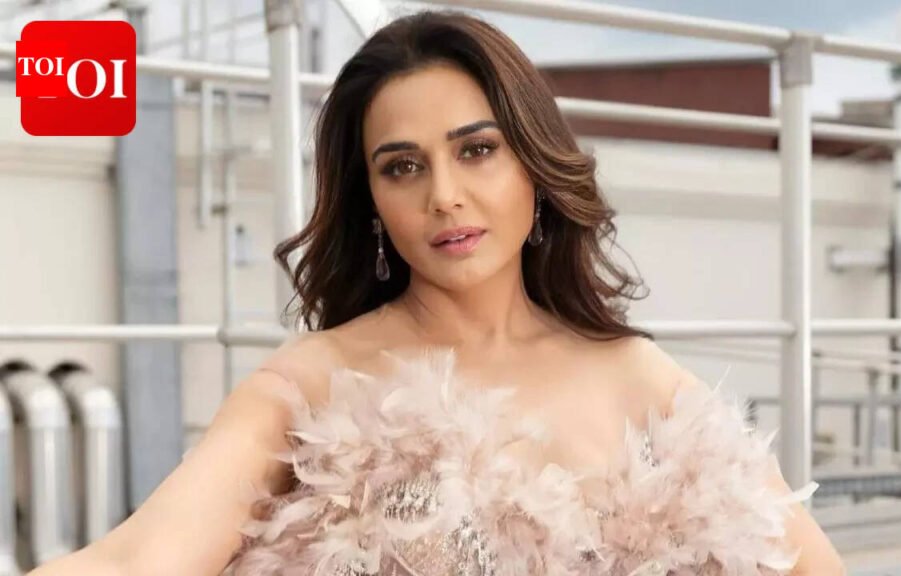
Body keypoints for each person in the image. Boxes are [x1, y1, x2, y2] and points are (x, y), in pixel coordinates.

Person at [30, 9, 845, 576]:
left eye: (477, 150)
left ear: (533, 163)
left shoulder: (641, 378)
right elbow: (138, 560)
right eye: (403, 166)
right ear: (373, 201)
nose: (444, 196)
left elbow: (810, 563)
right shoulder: (313, 384)